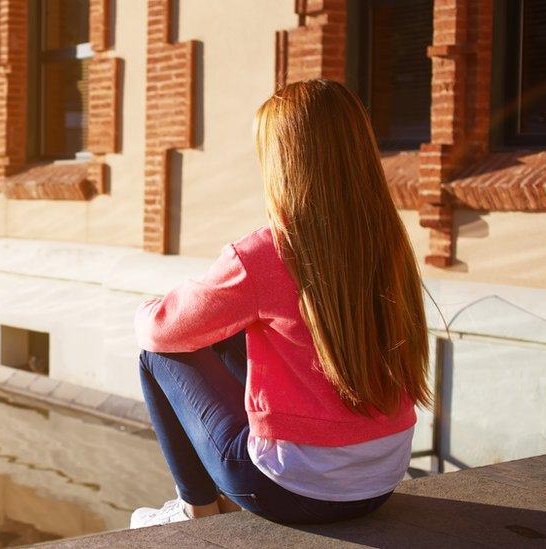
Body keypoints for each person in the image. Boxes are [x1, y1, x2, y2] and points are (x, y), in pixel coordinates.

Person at [131, 79, 431, 528]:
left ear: (283, 162)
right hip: (381, 480)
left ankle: (195, 510)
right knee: (238, 331)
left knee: (157, 356)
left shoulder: (267, 253)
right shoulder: (388, 241)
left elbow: (162, 329)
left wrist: (147, 307)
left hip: (290, 491)